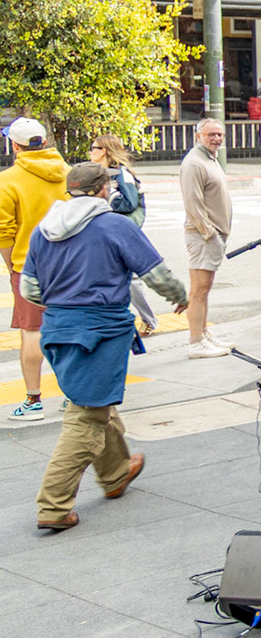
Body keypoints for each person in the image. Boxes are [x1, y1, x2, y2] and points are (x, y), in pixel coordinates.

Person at [24, 162, 188, 530]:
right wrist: (180, 297)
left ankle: (115, 473)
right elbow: (157, 274)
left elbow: (30, 290)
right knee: (87, 415)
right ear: (103, 190)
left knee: (94, 399)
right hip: (99, 331)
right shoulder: (115, 224)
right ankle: (53, 504)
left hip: (57, 330)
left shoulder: (43, 230)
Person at [0, 117, 68, 421]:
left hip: (29, 266)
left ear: (15, 146)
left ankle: (33, 400)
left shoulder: (7, 180)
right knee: (68, 328)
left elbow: (4, 233)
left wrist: (11, 265)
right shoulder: (68, 172)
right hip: (70, 265)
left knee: (31, 332)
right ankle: (72, 394)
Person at [89, 134, 155, 334]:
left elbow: (129, 203)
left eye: (93, 148)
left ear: (104, 151)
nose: (90, 152)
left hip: (121, 231)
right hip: (104, 230)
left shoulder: (121, 174)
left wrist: (107, 198)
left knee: (131, 278)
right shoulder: (99, 172)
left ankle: (148, 319)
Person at [180, 118, 232, 358]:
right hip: (203, 235)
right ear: (198, 136)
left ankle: (203, 333)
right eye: (211, 134)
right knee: (199, 289)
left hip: (212, 234)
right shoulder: (193, 163)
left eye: (219, 134)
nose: (216, 139)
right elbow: (193, 203)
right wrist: (209, 234)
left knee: (205, 287)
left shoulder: (210, 158)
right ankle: (195, 341)